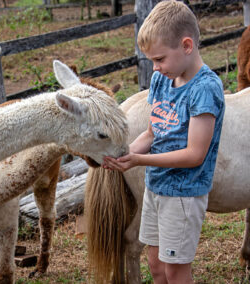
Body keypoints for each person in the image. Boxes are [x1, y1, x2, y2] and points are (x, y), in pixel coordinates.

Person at [102, 1, 225, 283]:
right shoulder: (161, 80)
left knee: (175, 270)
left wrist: (139, 160)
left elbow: (194, 154)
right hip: (155, 187)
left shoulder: (205, 89)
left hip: (182, 194)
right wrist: (126, 154)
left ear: (186, 45)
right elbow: (152, 132)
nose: (155, 68)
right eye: (152, 61)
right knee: (156, 265)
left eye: (159, 59)